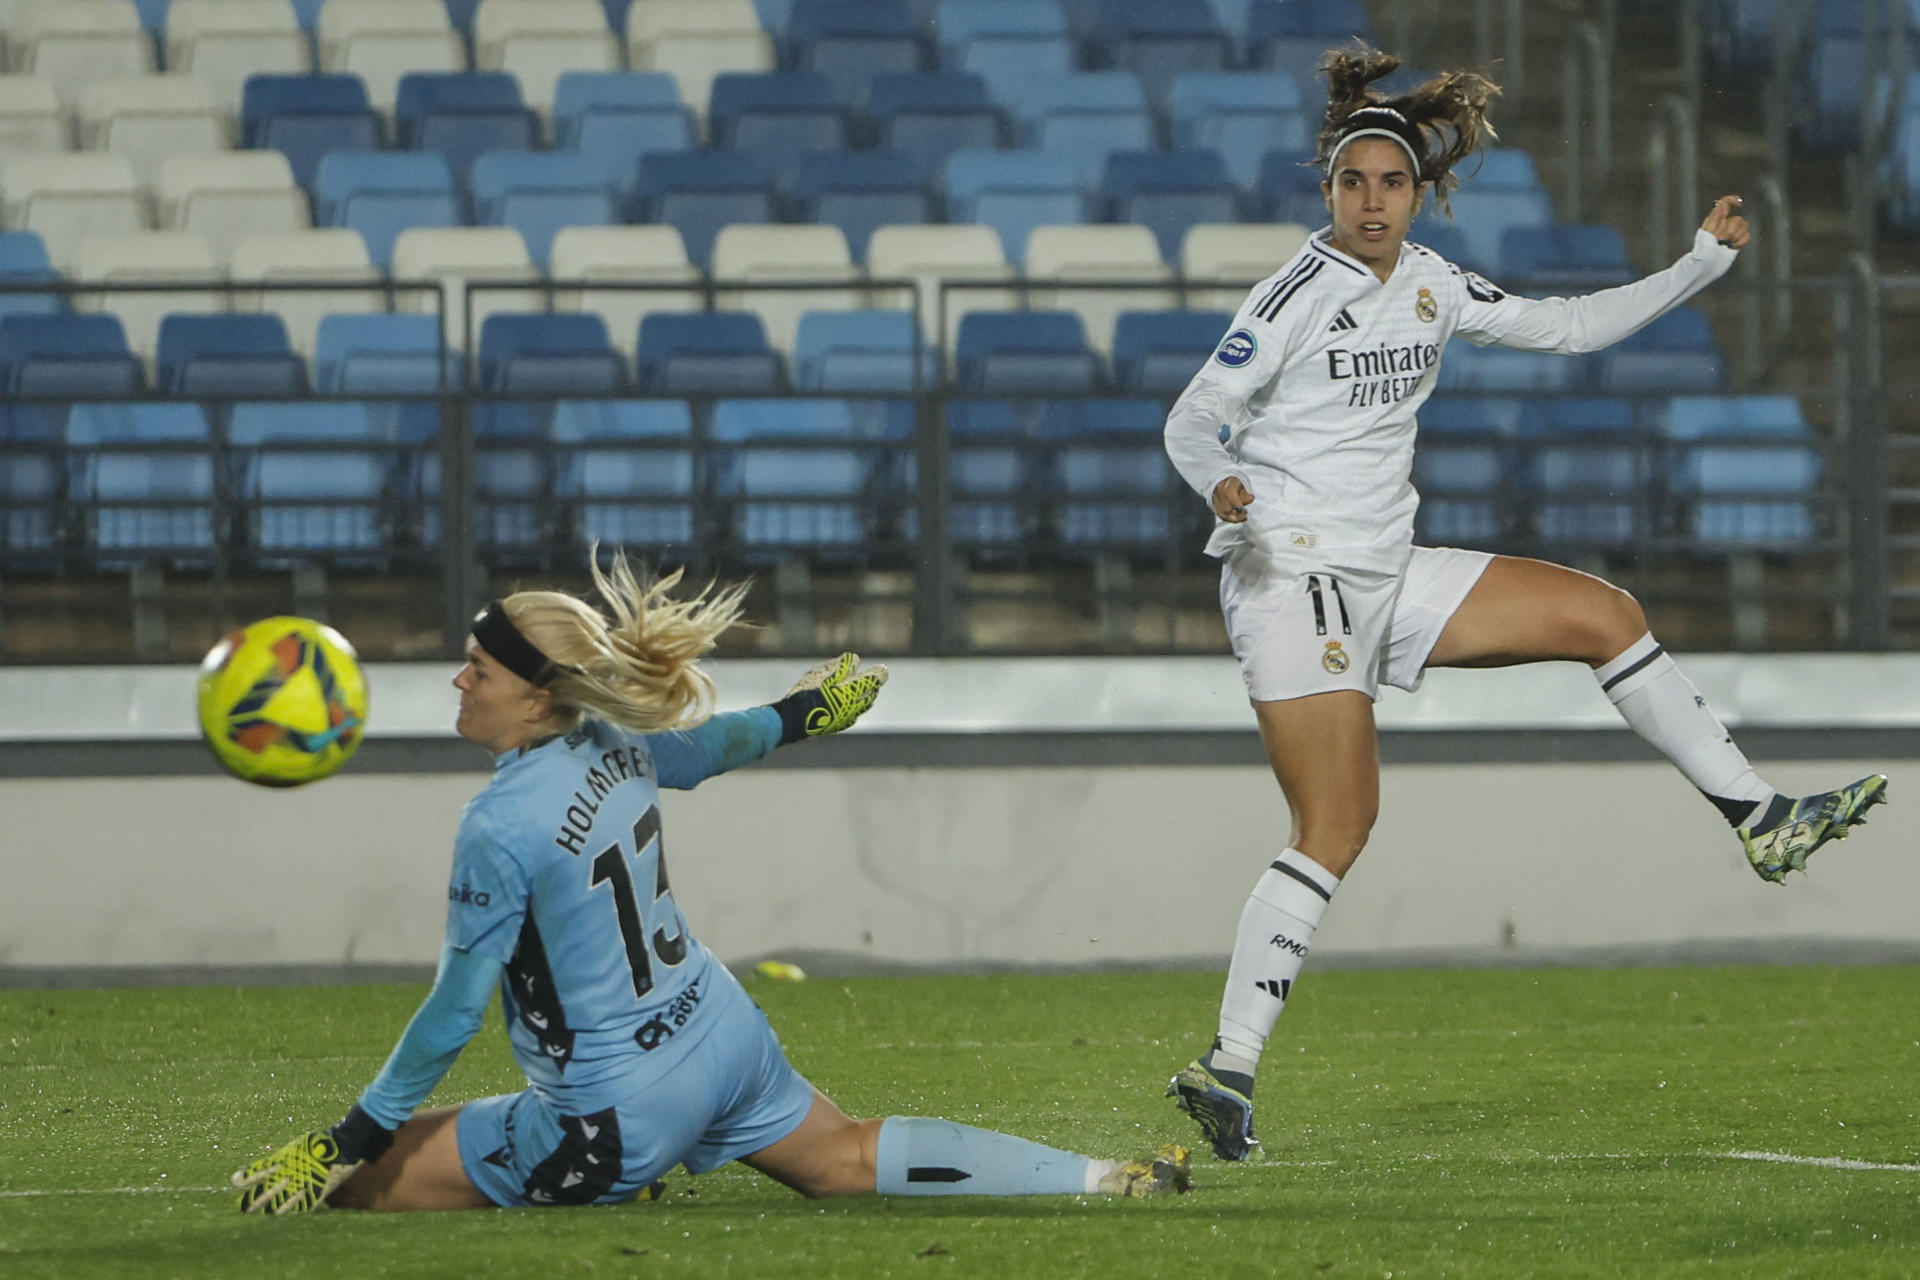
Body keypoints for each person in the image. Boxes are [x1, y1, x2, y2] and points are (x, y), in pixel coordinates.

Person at [1160, 45, 1887, 1164]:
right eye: (1353, 182)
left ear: (1416, 192)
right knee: (1339, 824)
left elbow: (1572, 327)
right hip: (1292, 570)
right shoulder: (1294, 295)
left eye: (1390, 182)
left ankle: (1760, 815)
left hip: (1388, 569)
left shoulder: (1437, 283)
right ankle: (1231, 1062)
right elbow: (1193, 414)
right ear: (1328, 192)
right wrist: (1221, 480)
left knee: (1604, 612)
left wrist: (1699, 263)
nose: (1371, 200)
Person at [233, 552, 1190, 1213]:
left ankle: (625, 1173)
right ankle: (1100, 1178)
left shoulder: (499, 823)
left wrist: (348, 1137)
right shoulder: (618, 744)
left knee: (355, 1189)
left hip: (616, 1114)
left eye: (475, 669)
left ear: (533, 698)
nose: (458, 682)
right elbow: (719, 745)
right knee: (844, 1157)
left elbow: (452, 1014)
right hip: (717, 1032)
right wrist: (815, 708)